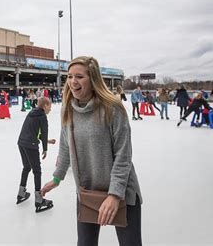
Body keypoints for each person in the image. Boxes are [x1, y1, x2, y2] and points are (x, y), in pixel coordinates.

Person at [41, 56, 142, 245]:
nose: (73, 81)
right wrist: (57, 178)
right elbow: (65, 146)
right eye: (69, 76)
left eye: (79, 76)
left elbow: (123, 156)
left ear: (93, 79)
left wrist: (114, 195)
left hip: (121, 192)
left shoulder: (112, 108)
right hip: (87, 190)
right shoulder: (68, 109)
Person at [16, 97, 56, 213]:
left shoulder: (32, 113)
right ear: (45, 106)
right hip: (30, 145)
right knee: (37, 171)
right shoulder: (42, 116)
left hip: (21, 143)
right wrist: (45, 149)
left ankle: (21, 193)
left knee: (27, 167)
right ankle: (39, 200)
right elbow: (43, 133)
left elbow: (32, 132)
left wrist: (47, 141)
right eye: (50, 106)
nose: (50, 109)